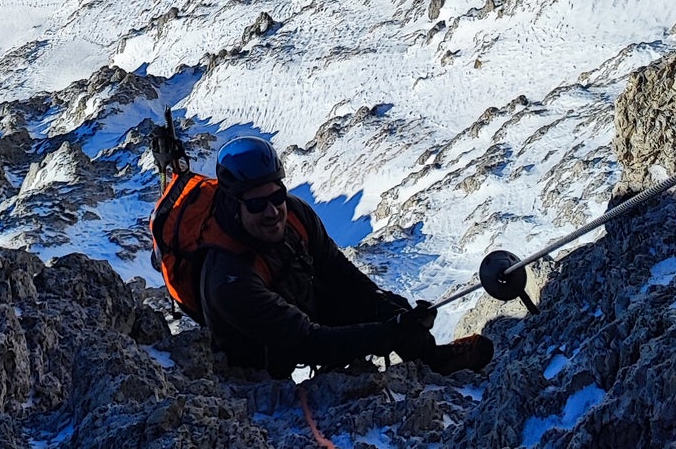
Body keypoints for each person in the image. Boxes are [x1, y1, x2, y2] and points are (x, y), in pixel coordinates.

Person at [198, 136, 495, 379]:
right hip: (260, 365)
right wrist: (387, 334)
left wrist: (389, 312)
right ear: (233, 204)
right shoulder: (229, 277)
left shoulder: (296, 215)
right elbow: (306, 341)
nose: (272, 211)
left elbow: (338, 272)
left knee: (393, 309)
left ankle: (434, 359)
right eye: (257, 203)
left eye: (276, 197)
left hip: (301, 309)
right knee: (387, 327)